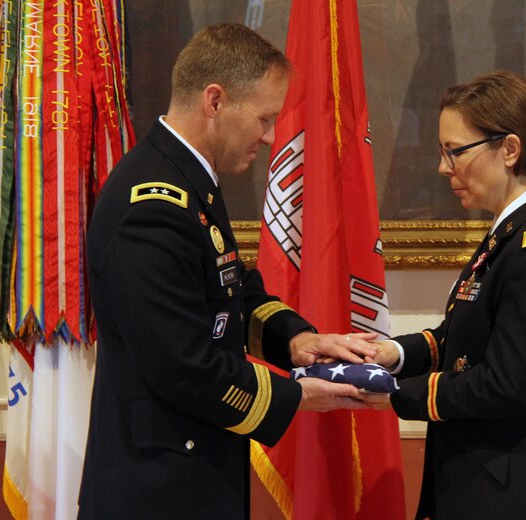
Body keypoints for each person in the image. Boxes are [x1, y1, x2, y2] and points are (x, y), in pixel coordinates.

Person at [78, 23, 378, 520]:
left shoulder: (188, 180)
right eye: (263, 117)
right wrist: (296, 395)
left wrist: (298, 341)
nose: (270, 135)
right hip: (156, 491)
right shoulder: (152, 202)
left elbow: (231, 293)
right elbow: (183, 365)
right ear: (214, 101)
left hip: (192, 473)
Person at [363, 71, 526, 519]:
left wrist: (399, 393)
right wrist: (389, 355)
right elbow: (459, 340)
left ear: (509, 149)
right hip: (486, 482)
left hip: (521, 492)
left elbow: (508, 385)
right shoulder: (509, 233)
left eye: (454, 151)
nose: (442, 167)